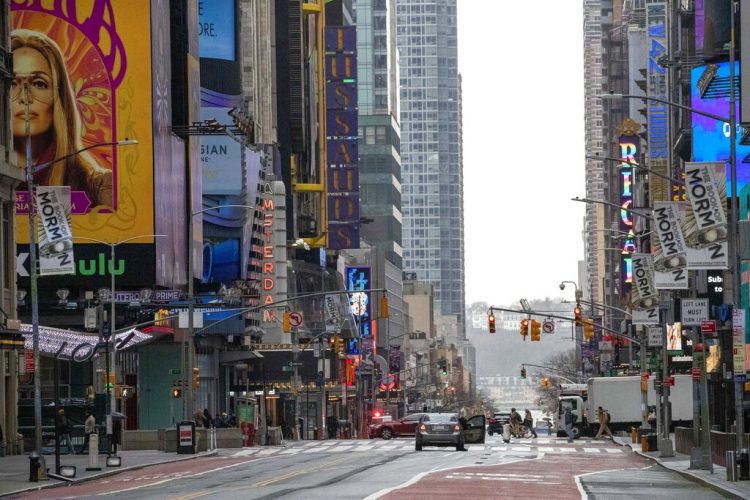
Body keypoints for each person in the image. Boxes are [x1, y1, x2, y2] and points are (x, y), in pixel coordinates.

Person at [11, 29, 113, 208]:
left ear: (59, 97)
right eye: (12, 83)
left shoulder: (97, 186)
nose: (25, 97)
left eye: (39, 84)